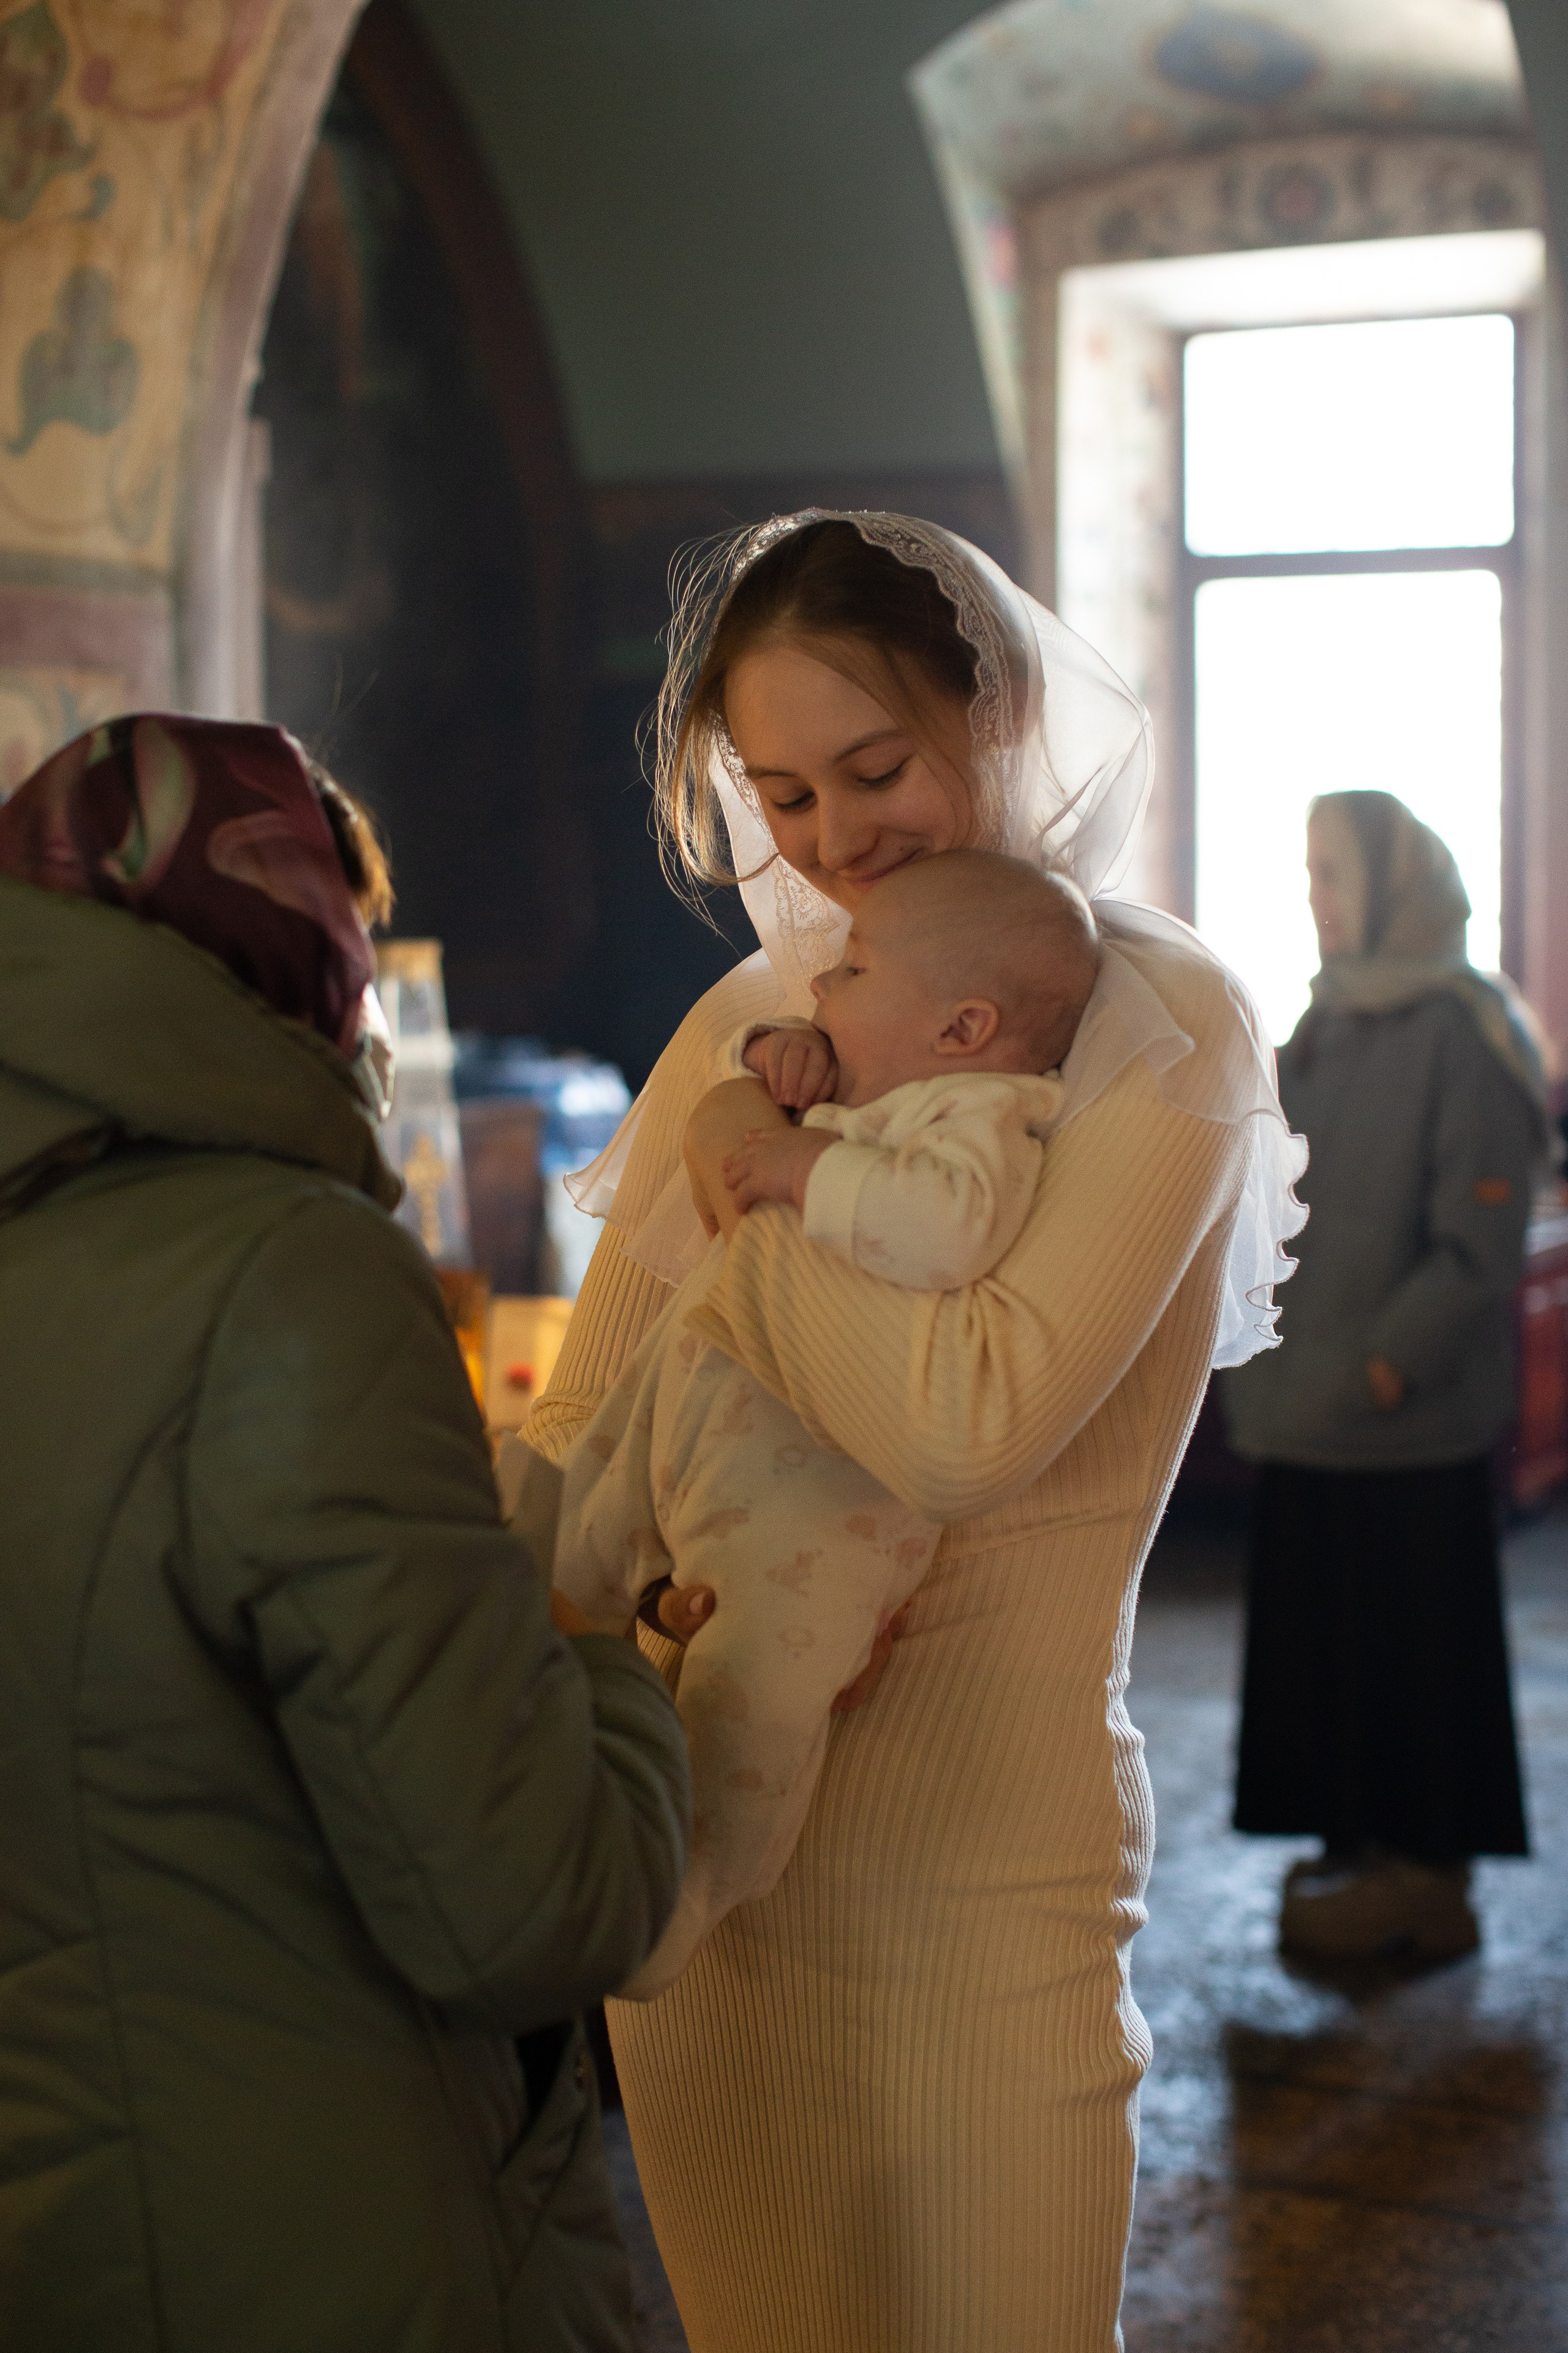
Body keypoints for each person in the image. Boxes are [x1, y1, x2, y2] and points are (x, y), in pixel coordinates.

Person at [523, 512, 1305, 2352]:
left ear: (1004, 701)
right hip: (712, 1886)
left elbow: (974, 1427)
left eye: (876, 768)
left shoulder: (1160, 1021)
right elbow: (584, 1431)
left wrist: (751, 1195)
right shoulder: (745, 1018)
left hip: (986, 1894)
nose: (836, 840)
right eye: (785, 795)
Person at [0, 714, 691, 2353]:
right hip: (323, 2234)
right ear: (290, 939)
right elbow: (525, 1906)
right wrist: (615, 1659)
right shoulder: (285, 1277)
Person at [548, 850, 1099, 1997]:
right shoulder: (884, 1086)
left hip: (821, 1503)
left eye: (852, 970)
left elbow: (945, 1231)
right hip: (705, 1411)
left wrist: (801, 1164)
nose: (822, 988)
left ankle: (684, 1895)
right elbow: (756, 1115)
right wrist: (771, 1069)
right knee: (560, 1550)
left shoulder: (983, 1115)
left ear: (962, 1026)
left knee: (754, 1704)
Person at [1223, 788, 1548, 1963]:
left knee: (1416, 1649)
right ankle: (1358, 1844)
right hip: (1310, 1410)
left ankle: (1428, 1870)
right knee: (1334, 1645)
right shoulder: (1326, 1019)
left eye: (1331, 874)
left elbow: (1479, 1235)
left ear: (1394, 889)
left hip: (1396, 1416)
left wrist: (1384, 1362)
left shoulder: (1468, 1028)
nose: (1314, 899)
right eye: (1309, 873)